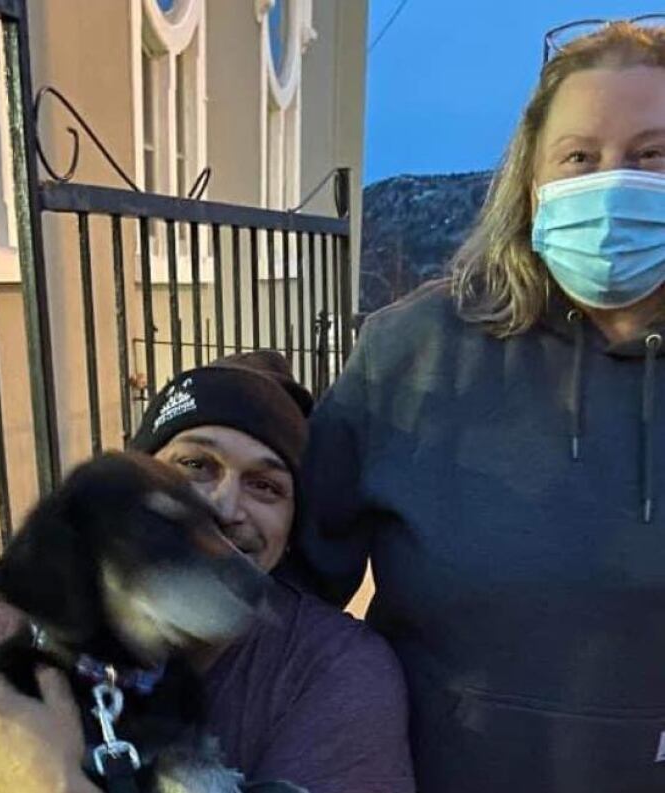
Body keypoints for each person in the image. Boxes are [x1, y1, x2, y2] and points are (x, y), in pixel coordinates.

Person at [297, 18, 665, 793]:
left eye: (652, 155)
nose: (613, 184)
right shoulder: (410, 354)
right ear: (532, 186)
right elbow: (282, 594)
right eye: (578, 157)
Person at [0, 351, 414, 793]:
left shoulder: (333, 673)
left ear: (293, 527)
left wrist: (43, 779)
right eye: (192, 466)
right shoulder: (6, 636)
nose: (221, 506)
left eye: (266, 486)